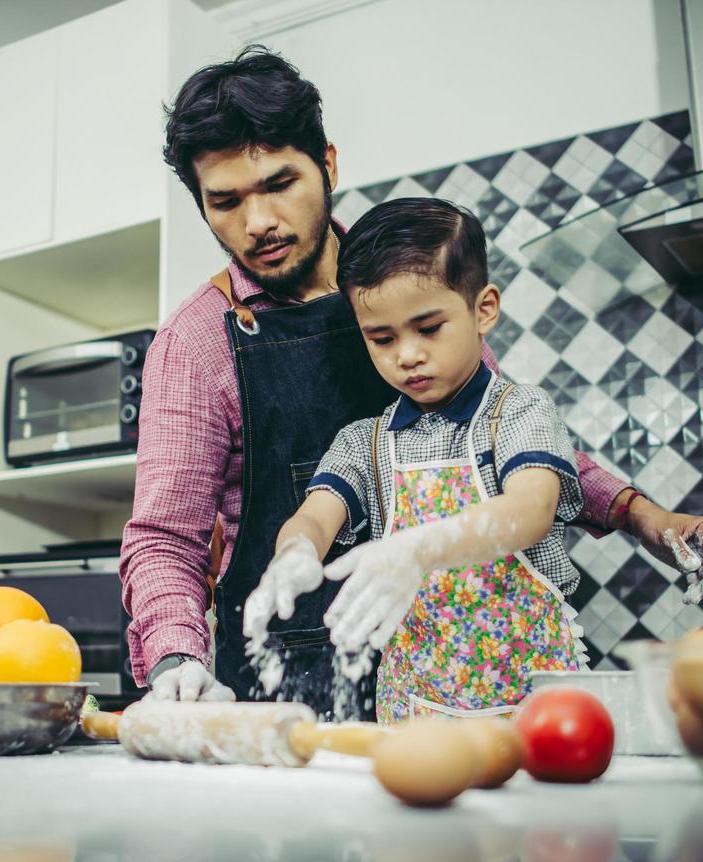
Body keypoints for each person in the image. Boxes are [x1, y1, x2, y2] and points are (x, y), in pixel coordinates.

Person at [120, 46, 703, 711]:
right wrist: (176, 656)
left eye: (278, 184)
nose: (257, 221)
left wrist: (642, 518)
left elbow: (506, 439)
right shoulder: (197, 342)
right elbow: (163, 539)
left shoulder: (404, 280)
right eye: (226, 201)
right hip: (287, 684)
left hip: (455, 667)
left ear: (326, 164)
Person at [245, 197, 586, 720]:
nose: (406, 355)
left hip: (538, 718)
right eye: (381, 338)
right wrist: (295, 553)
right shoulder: (366, 442)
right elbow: (316, 515)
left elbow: (530, 510)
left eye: (428, 329)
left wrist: (421, 549)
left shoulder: (519, 413)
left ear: (483, 309)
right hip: (414, 719)